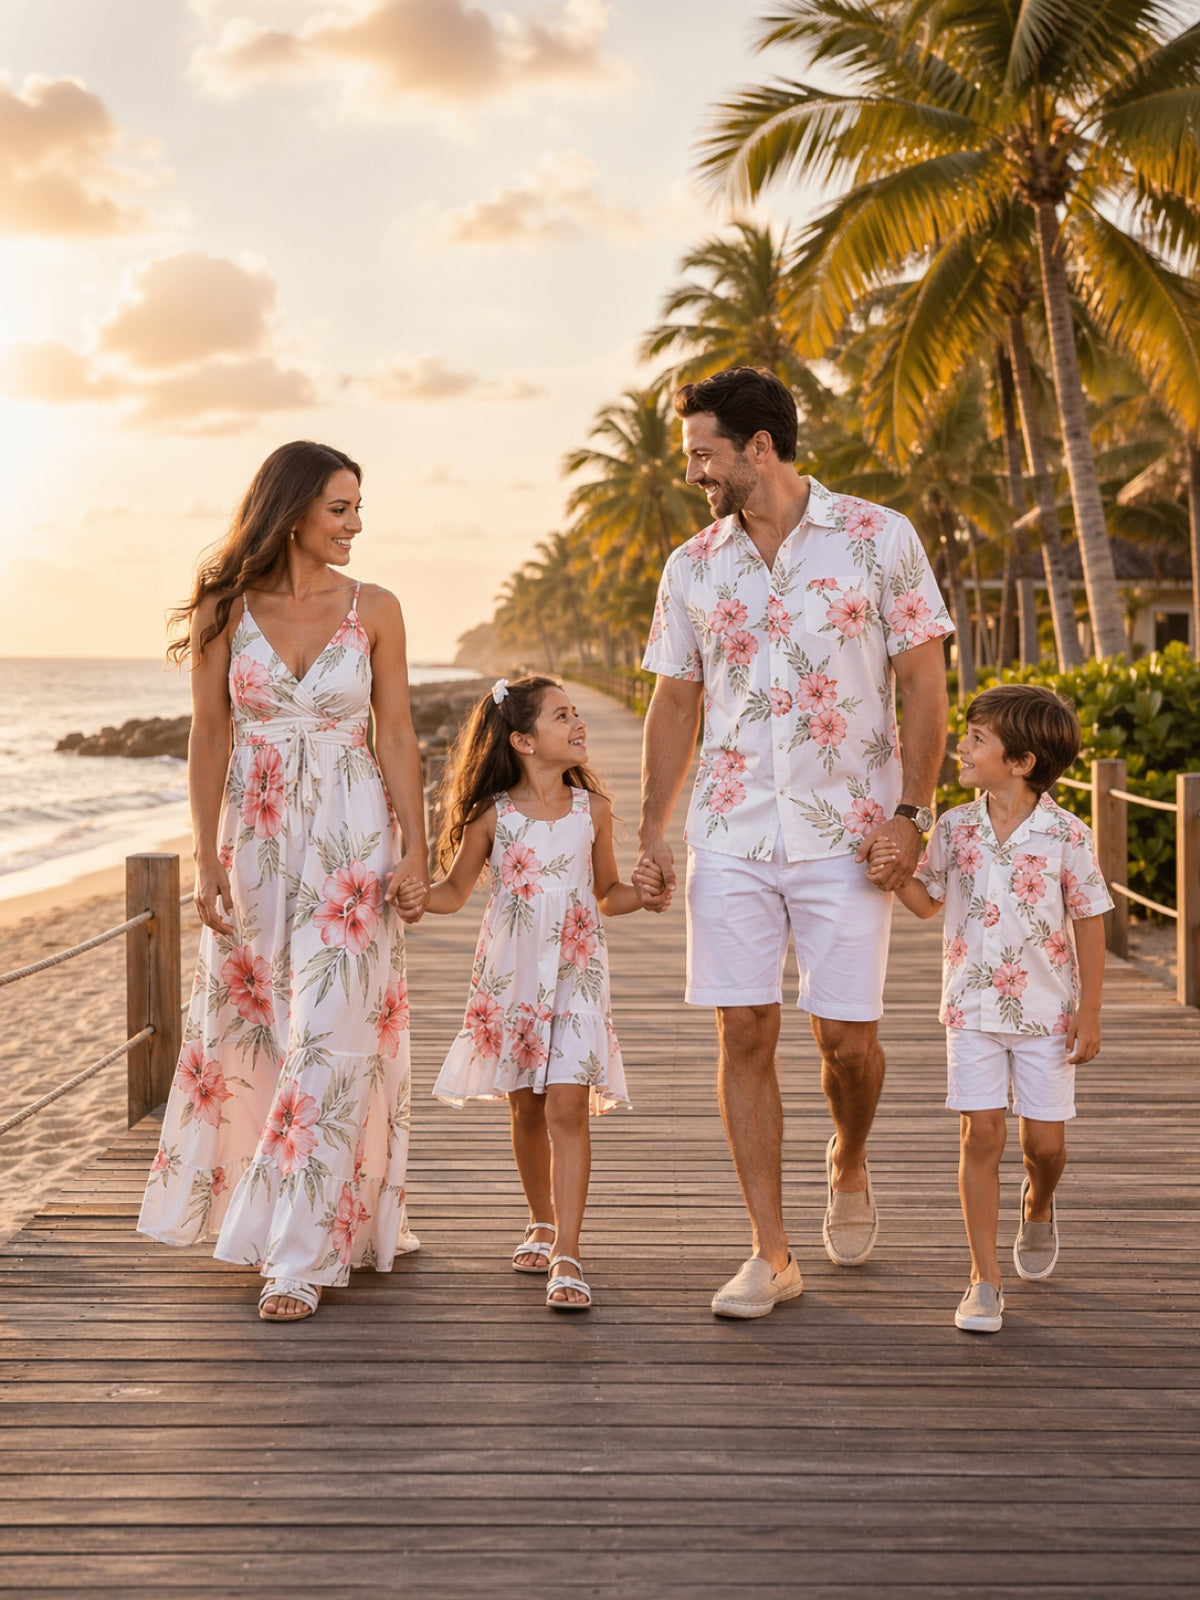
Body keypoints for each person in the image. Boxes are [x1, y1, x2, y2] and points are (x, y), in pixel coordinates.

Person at [634, 366, 953, 1319]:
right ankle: (769, 1253)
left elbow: (925, 686)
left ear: (758, 450)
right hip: (730, 828)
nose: (693, 470)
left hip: (850, 831)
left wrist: (915, 811)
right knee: (745, 1028)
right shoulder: (692, 565)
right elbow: (673, 700)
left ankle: (848, 1155)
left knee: (848, 1041)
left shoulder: (878, 538)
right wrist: (654, 827)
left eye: (703, 453)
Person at [137, 440, 428, 1322]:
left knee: (331, 1036)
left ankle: (296, 1257)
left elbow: (400, 736)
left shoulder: (375, 609)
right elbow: (210, 737)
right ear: (293, 509)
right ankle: (285, 1221)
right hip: (258, 841)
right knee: (262, 1030)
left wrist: (414, 847)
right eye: (340, 508)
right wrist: (203, 852)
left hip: (351, 839)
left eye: (357, 508)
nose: (355, 524)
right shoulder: (228, 609)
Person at [407, 676, 666, 1310]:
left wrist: (645, 892)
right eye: (562, 716)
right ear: (523, 740)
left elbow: (607, 894)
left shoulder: (593, 812)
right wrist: (416, 900)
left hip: (577, 976)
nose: (578, 724)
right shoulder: (492, 816)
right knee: (526, 1109)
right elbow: (452, 893)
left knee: (568, 1109)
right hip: (513, 979)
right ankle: (541, 1218)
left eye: (577, 713)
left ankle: (568, 1252)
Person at [868, 684, 1111, 1333]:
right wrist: (894, 875)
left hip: (1048, 1014)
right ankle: (983, 1279)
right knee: (982, 1134)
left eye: (978, 739)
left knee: (1045, 1145)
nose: (962, 748)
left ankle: (1039, 1204)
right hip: (970, 1009)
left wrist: (1089, 1015)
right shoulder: (954, 826)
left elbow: (1090, 921)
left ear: (1022, 762)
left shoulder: (1067, 834)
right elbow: (928, 904)